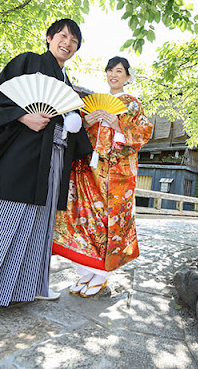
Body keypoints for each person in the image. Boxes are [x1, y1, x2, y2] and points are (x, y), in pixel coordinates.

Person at [0, 19, 93, 338]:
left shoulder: (68, 81)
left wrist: (78, 125)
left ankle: (21, 288)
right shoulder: (28, 62)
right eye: (62, 36)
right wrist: (23, 115)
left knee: (38, 226)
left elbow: (69, 125)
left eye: (74, 40)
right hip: (21, 156)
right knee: (0, 222)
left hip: (52, 163)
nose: (67, 42)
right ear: (49, 38)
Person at [52, 56, 153, 297]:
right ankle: (86, 272)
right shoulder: (92, 103)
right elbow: (78, 132)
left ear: (128, 77)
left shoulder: (132, 104)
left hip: (114, 175)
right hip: (87, 170)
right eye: (110, 70)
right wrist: (87, 121)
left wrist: (119, 127)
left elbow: (143, 133)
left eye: (119, 71)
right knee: (84, 217)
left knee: (107, 221)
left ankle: (102, 274)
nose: (113, 75)